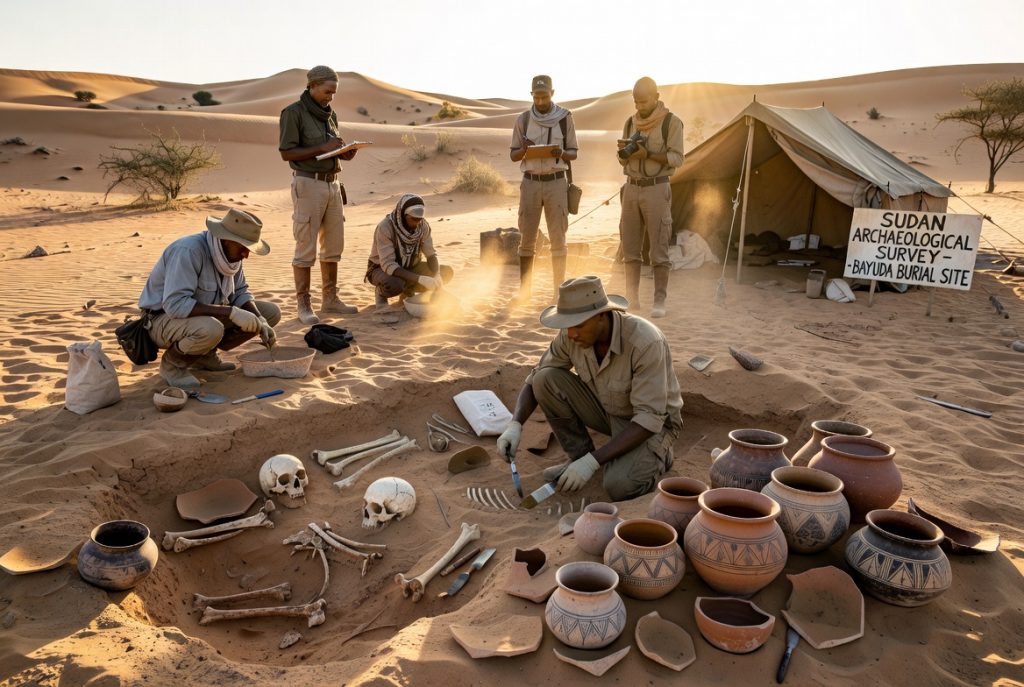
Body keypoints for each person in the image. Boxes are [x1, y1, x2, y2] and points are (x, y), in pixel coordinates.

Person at [496, 276, 683, 501]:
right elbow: (536, 377)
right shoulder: (571, 336)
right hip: (609, 410)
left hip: (652, 426)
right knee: (545, 379)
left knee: (619, 486)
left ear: (602, 315)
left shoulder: (645, 342)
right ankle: (578, 458)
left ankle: (659, 456)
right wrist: (515, 424)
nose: (571, 333)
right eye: (567, 325)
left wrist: (593, 462)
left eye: (579, 325)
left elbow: (649, 418)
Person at [138, 208, 279, 389]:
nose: (246, 254)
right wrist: (231, 312)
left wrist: (260, 320)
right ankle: (172, 365)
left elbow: (240, 292)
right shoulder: (188, 251)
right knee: (211, 328)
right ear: (226, 239)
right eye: (243, 247)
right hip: (160, 320)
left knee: (270, 313)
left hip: (196, 319)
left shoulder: (231, 257)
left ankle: (204, 356)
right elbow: (175, 305)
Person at [279, 65, 361, 325]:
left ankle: (331, 299)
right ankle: (304, 305)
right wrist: (322, 147)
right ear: (311, 86)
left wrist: (344, 153)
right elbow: (287, 153)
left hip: (333, 184)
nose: (330, 97)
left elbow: (332, 147)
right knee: (305, 246)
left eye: (334, 93)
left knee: (334, 244)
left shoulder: (331, 115)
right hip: (308, 184)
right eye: (327, 91)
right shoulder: (293, 113)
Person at [617, 77, 684, 318]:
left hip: (657, 187)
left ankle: (659, 301)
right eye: (635, 102)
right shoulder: (629, 123)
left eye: (643, 101)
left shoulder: (671, 123)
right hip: (631, 187)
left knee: (659, 248)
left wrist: (649, 154)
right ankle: (631, 300)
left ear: (656, 97)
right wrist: (624, 154)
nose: (639, 107)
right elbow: (623, 159)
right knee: (630, 248)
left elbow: (677, 158)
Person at [509, 75, 579, 301]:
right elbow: (513, 154)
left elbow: (573, 153)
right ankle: (524, 291)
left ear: (552, 93)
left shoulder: (564, 118)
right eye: (536, 97)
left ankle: (558, 291)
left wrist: (560, 153)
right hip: (530, 182)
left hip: (556, 182)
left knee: (558, 238)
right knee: (527, 239)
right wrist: (525, 150)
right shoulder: (523, 119)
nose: (540, 101)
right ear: (531, 95)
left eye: (544, 96)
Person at [365, 194, 453, 307]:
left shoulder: (423, 226)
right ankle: (381, 293)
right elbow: (389, 265)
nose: (416, 223)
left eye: (419, 219)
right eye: (413, 219)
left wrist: (436, 275)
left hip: (410, 266)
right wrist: (420, 279)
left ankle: (407, 292)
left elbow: (431, 254)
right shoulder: (386, 227)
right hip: (381, 269)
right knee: (394, 284)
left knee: (446, 272)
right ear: (403, 214)